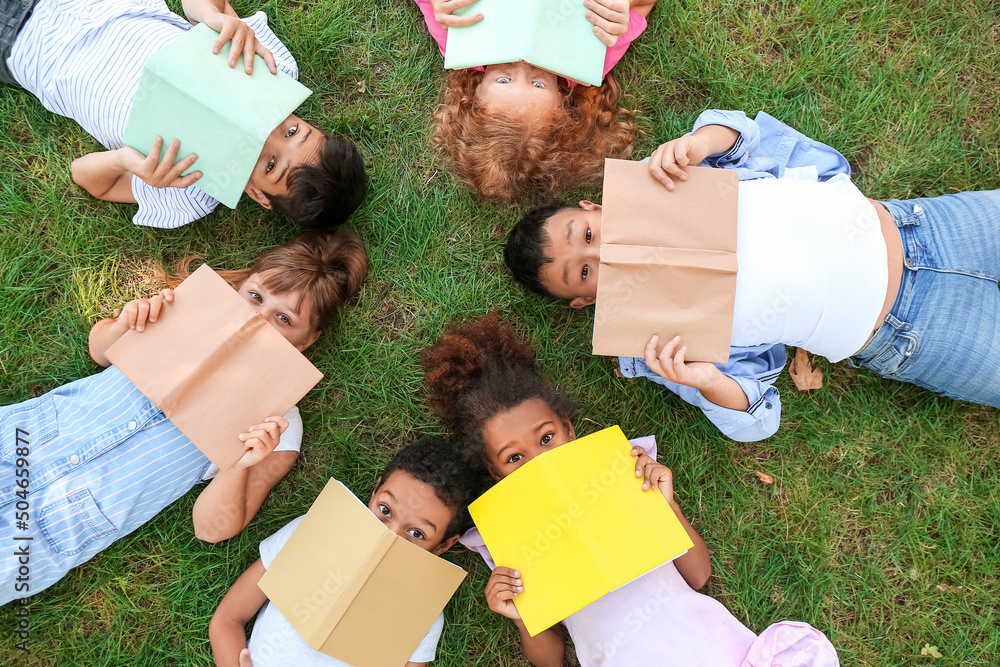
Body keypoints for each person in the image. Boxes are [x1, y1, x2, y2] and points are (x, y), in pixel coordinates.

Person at [503, 109, 1000, 441]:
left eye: (588, 234)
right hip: (913, 333)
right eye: (586, 271)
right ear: (586, 302)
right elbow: (760, 418)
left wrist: (697, 144)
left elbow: (742, 133)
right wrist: (706, 381)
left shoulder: (672, 177)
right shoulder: (662, 340)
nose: (607, 252)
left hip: (928, 227)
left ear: (595, 207)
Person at [420, 314, 840, 667]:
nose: (540, 461)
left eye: (546, 438)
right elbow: (550, 660)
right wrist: (517, 616)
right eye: (514, 458)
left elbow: (698, 575)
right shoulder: (512, 543)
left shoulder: (624, 475)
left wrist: (667, 505)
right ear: (495, 475)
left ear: (569, 429)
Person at [0, 229, 369, 604]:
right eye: (255, 297)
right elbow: (100, 351)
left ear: (306, 342)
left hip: (56, 527)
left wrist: (238, 465)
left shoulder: (278, 423)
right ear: (238, 287)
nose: (257, 319)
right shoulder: (182, 314)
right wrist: (126, 325)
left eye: (284, 319)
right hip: (20, 438)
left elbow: (212, 529)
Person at [1, 0, 367, 229]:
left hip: (24, 48)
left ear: (258, 194)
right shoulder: (274, 71)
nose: (265, 133)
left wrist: (128, 161)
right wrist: (213, 14)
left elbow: (85, 177)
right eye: (291, 131)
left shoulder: (186, 193)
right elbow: (200, 5)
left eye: (270, 165)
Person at [208, 437, 480, 667]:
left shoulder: (422, 611)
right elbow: (227, 619)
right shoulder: (314, 530)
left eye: (417, 533)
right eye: (385, 511)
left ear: (443, 545)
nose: (389, 536)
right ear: (375, 491)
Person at [414, 0, 656, 201]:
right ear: (561, 100)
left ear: (477, 91)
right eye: (538, 85)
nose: (522, 66)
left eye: (503, 81)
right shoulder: (590, 58)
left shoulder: (459, 42)